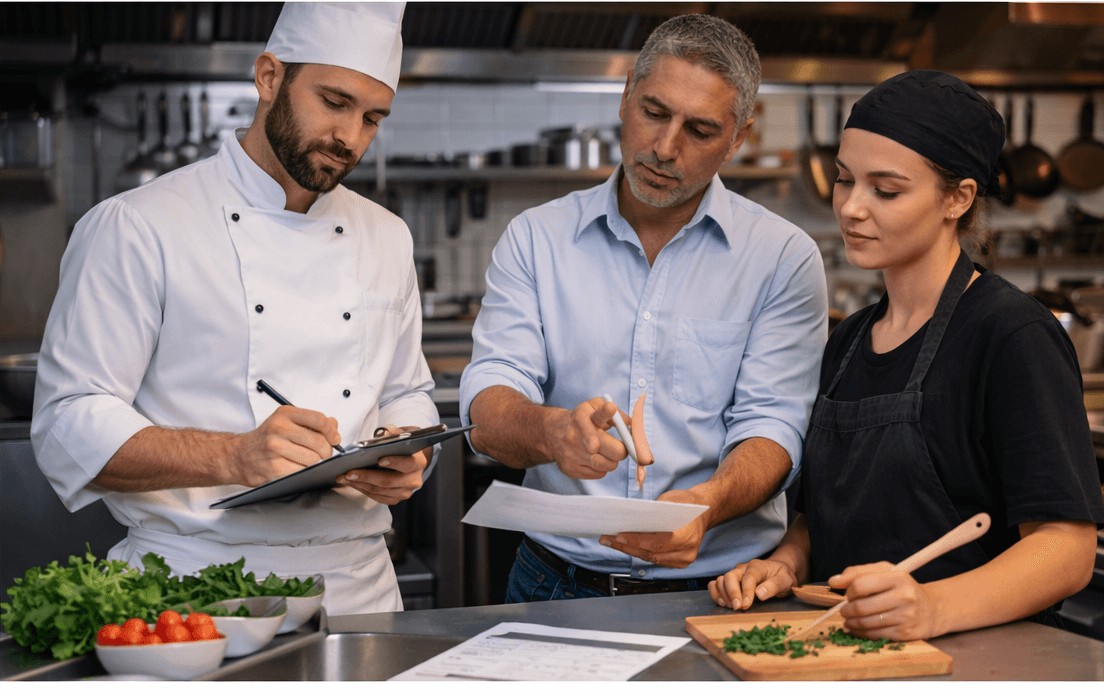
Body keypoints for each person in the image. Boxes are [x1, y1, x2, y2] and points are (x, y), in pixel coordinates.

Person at [31, 2, 439, 615]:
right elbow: (68, 422)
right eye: (334, 102)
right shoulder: (140, 226)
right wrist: (232, 455)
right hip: (194, 590)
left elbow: (408, 389)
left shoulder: (386, 235)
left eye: (373, 118)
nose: (349, 137)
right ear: (270, 77)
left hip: (362, 591)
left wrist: (412, 451)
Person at [709, 70, 1104, 640]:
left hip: (978, 661)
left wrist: (933, 608)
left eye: (886, 190)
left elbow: (1067, 550)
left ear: (958, 198)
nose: (850, 208)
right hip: (854, 652)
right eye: (845, 181)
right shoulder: (848, 342)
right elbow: (820, 515)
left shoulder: (1011, 335)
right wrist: (788, 561)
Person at [460, 14, 829, 602]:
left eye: (700, 130)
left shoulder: (782, 258)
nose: (664, 147)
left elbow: (775, 426)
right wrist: (553, 431)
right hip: (553, 583)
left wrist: (707, 506)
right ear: (627, 91)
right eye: (654, 112)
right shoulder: (536, 238)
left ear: (739, 137)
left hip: (722, 592)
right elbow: (489, 398)